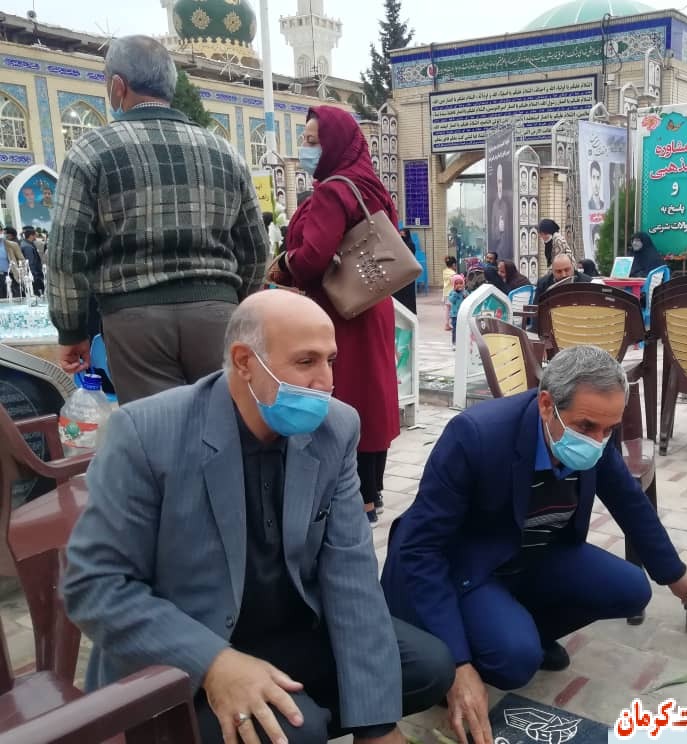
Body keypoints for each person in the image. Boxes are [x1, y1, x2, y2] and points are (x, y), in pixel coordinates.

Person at [62, 290, 454, 744]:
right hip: (181, 650)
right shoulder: (147, 433)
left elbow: (350, 571)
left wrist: (376, 727)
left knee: (426, 667)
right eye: (306, 362)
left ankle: (298, 713)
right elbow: (93, 584)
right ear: (244, 362)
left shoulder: (335, 427)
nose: (325, 381)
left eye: (330, 360)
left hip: (284, 632)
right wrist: (213, 662)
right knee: (299, 731)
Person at [381, 346, 687, 744]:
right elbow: (420, 550)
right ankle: (479, 649)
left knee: (631, 589)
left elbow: (628, 499)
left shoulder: (596, 429)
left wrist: (674, 572)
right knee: (514, 662)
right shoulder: (477, 435)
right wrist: (456, 664)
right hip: (468, 568)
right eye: (586, 427)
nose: (597, 441)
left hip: (535, 553)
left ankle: (524, 632)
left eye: (608, 429)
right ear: (545, 405)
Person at [47, 35, 268, 405]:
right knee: (222, 421)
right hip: (216, 314)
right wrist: (231, 305)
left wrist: (71, 331)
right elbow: (255, 248)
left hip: (135, 323)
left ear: (118, 86)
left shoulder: (91, 152)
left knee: (155, 429)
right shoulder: (225, 153)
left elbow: (66, 254)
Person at [283, 106, 401, 524]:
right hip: (373, 302)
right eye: (305, 139)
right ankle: (371, 492)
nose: (306, 148)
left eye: (314, 141)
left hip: (340, 312)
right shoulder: (369, 185)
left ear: (334, 144)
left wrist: (285, 261)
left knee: (345, 394)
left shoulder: (333, 191)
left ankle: (352, 497)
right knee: (373, 393)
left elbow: (312, 259)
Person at [392, 228, 418, 315]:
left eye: (402, 233)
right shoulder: (399, 244)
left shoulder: (411, 244)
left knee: (408, 293)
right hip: (400, 271)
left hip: (409, 271)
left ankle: (410, 311)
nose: (401, 235)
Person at [488, 164, 511, 259]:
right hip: (498, 234)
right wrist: (496, 232)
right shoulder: (495, 204)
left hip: (504, 235)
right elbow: (493, 221)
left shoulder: (505, 203)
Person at [18, 226, 45, 296]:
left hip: (32, 275)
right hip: (33, 276)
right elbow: (31, 263)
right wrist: (35, 276)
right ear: (31, 236)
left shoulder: (27, 243)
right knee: (36, 294)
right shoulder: (27, 246)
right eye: (34, 235)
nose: (36, 236)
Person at [2, 227, 26, 299]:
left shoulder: (12, 245)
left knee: (15, 298)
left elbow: (21, 260)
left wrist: (22, 274)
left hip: (10, 276)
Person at [448, 274, 467, 349]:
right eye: (456, 283)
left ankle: (462, 342)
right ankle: (454, 343)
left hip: (463, 314)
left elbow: (469, 299)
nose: (459, 285)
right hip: (455, 315)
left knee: (463, 329)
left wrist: (466, 296)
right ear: (453, 285)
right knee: (455, 330)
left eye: (461, 283)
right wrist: (456, 293)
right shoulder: (452, 293)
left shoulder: (465, 292)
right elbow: (451, 300)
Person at [442, 256, 457, 332]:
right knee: (454, 309)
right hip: (452, 294)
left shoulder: (444, 271)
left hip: (445, 293)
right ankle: (454, 323)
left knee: (447, 310)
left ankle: (446, 324)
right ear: (454, 265)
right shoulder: (453, 273)